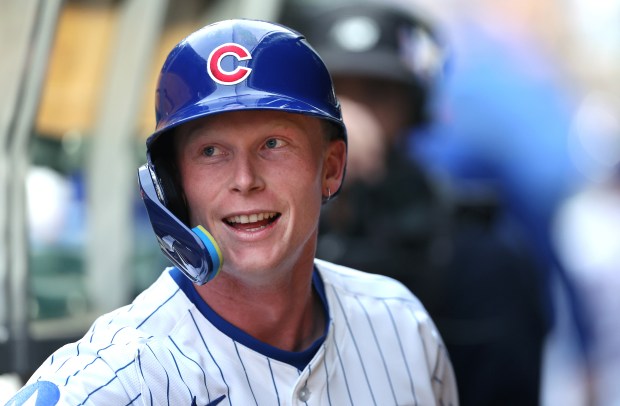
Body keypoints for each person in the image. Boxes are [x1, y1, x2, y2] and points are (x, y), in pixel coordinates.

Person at [7, 19, 458, 405]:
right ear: (174, 184)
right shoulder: (118, 378)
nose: (245, 179)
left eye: (273, 145)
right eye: (211, 151)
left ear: (332, 167)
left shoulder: (402, 326)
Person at [280, 2, 550, 405]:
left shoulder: (476, 257)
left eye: (376, 93)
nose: (349, 114)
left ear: (411, 108)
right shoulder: (252, 230)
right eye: (332, 91)